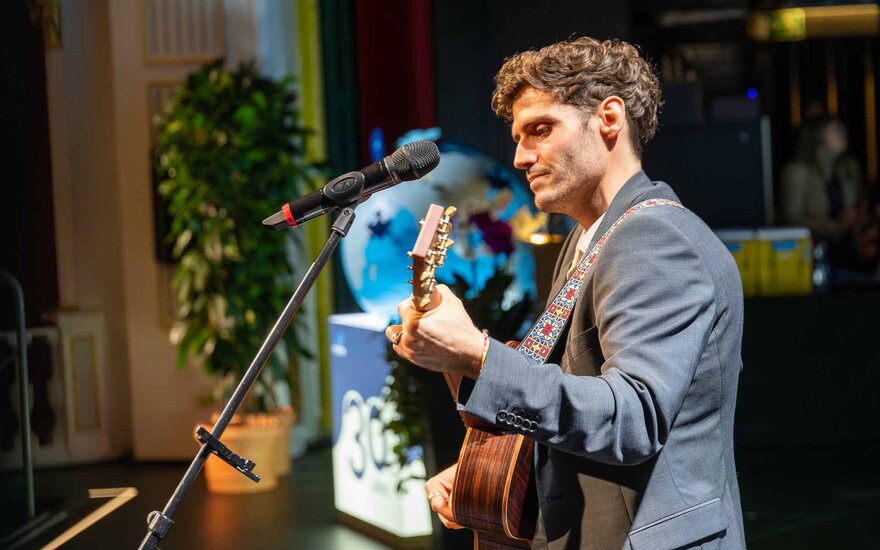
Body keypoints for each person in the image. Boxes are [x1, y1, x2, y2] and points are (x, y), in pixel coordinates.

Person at [386, 37, 745, 549]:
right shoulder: (590, 237)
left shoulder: (653, 238)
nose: (519, 156)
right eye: (517, 137)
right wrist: (495, 471)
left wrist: (478, 356)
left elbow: (631, 420)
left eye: (540, 129)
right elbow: (577, 399)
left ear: (609, 119)